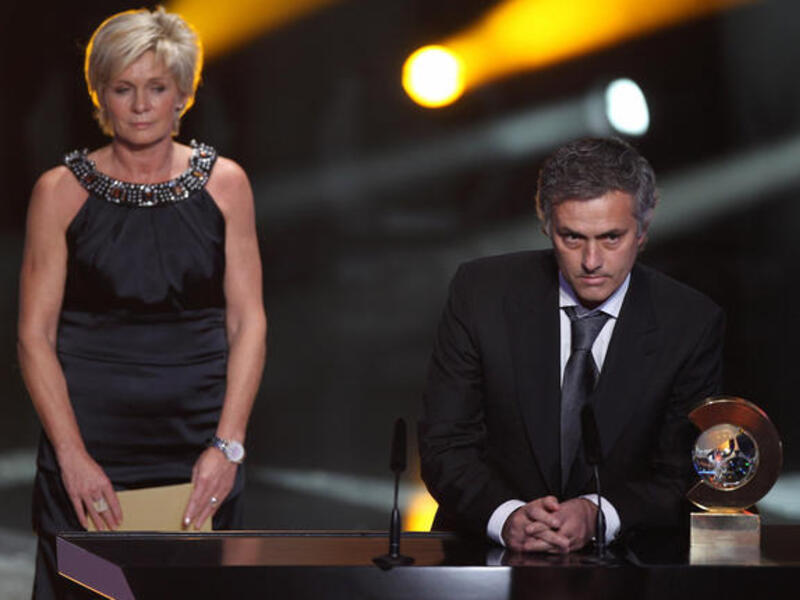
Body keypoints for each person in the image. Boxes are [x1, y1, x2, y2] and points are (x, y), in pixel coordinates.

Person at [17, 8, 267, 598]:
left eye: (156, 88)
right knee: (91, 590)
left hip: (200, 444)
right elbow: (34, 335)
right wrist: (71, 456)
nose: (140, 105)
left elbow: (249, 320)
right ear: (99, 93)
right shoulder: (58, 192)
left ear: (183, 93)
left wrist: (227, 446)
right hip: (87, 446)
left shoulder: (226, 184)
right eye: (123, 89)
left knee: (190, 590)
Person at [419, 137, 723, 554]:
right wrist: (506, 517)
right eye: (572, 238)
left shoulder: (690, 322)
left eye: (611, 238)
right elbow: (445, 443)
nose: (592, 261)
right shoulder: (480, 295)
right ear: (546, 223)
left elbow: (682, 471)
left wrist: (598, 514)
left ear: (644, 232)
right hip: (482, 557)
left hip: (628, 565)